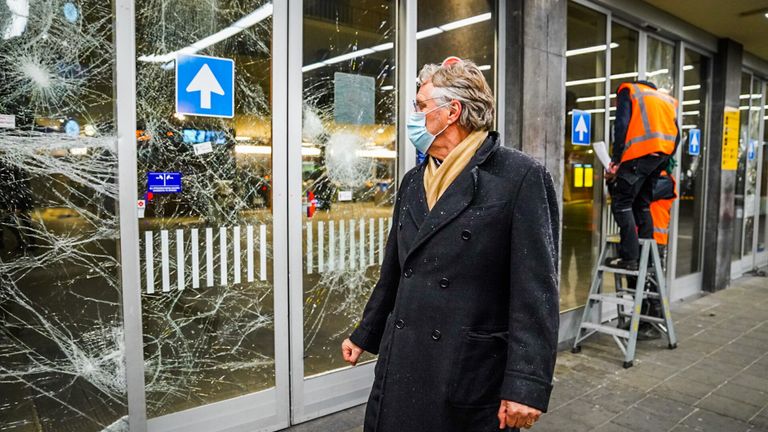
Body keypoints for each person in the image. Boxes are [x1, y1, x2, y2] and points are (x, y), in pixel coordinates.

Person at [340, 57, 560, 432]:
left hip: (465, 368)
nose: (414, 114)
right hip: (402, 360)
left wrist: (526, 384)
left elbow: (535, 291)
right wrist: (366, 332)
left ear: (451, 111)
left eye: (421, 106)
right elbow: (395, 271)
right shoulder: (413, 180)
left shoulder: (518, 177)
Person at [605, 80, 679, 270]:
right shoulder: (665, 100)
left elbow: (621, 125)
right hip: (659, 158)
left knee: (622, 203)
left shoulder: (627, 90)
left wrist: (616, 160)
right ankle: (645, 255)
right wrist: (664, 157)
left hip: (638, 155)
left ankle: (630, 258)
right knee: (642, 204)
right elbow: (677, 135)